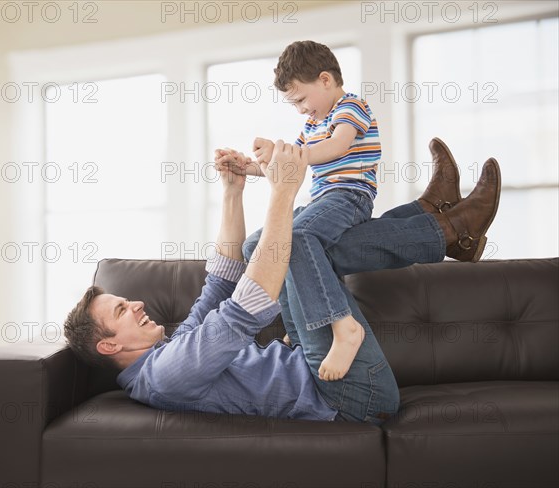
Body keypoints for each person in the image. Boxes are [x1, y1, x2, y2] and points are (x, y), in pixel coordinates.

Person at [63, 137, 501, 425]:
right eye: (122, 311)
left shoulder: (167, 353)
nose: (137, 305)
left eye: (126, 301)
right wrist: (282, 191)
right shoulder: (165, 374)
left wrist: (233, 190)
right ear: (109, 346)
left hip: (328, 374)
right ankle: (444, 228)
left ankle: (435, 218)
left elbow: (222, 279)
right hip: (349, 395)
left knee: (272, 247)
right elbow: (247, 303)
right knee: (295, 239)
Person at [218, 40, 384, 381]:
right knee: (257, 245)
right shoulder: (310, 127)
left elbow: (338, 145)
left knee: (296, 235)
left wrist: (289, 156)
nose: (300, 110)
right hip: (322, 200)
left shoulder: (349, 107)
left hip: (349, 196)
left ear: (325, 80)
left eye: (300, 100)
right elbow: (285, 168)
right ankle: (299, 324)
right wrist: (250, 166)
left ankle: (344, 325)